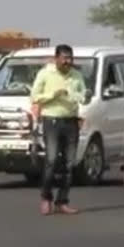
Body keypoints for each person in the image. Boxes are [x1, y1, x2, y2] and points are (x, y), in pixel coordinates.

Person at [30, 44, 86, 216]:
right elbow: (35, 96)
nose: (68, 62)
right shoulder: (45, 73)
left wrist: (71, 95)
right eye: (64, 58)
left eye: (70, 58)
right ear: (56, 59)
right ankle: (46, 198)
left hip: (70, 121)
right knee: (52, 160)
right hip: (51, 121)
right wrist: (53, 94)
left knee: (69, 164)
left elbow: (83, 96)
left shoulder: (76, 76)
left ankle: (62, 201)